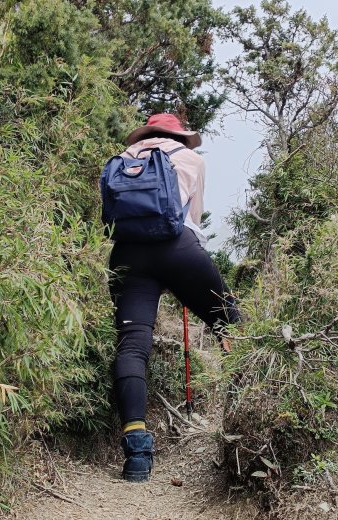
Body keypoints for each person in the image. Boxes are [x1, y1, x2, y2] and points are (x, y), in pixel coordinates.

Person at [107, 113, 241, 482]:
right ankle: (248, 420)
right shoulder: (191, 159)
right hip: (179, 248)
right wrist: (180, 276)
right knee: (231, 325)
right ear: (180, 136)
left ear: (148, 133)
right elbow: (191, 218)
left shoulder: (124, 156)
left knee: (132, 346)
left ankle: (136, 455)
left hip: (127, 254)